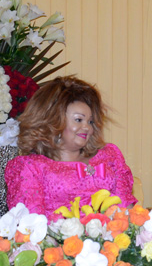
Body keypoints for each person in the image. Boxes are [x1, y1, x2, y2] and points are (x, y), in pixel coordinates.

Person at [5, 76, 136, 220]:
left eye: (90, 121)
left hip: (113, 240)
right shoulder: (30, 167)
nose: (87, 127)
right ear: (53, 121)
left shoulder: (110, 156)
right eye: (79, 120)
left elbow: (127, 211)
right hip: (57, 242)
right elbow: (30, 225)